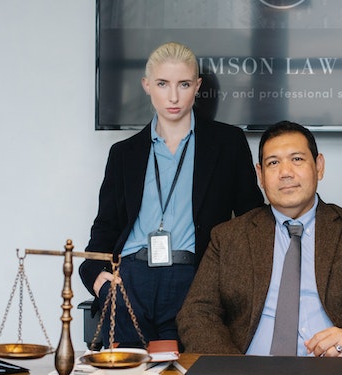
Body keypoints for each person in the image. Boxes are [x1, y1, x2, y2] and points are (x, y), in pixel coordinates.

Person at [79, 42, 264, 347]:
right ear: (147, 86)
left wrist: (227, 283)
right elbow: (105, 227)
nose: (174, 96)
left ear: (197, 86)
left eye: (184, 84)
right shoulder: (124, 154)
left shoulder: (227, 143)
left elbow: (251, 221)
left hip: (195, 280)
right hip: (129, 282)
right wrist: (95, 278)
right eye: (163, 84)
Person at [177, 120, 342, 358]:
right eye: (273, 163)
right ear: (260, 175)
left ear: (319, 166)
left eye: (297, 159)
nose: (285, 173)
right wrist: (234, 369)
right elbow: (197, 312)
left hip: (333, 373)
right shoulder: (228, 237)